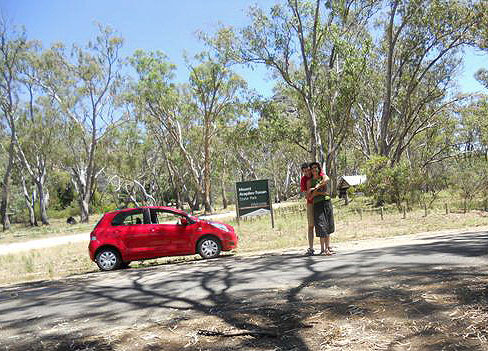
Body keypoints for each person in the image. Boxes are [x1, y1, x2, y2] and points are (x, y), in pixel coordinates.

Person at [308, 162, 335, 255]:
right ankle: (322, 249)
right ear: (310, 170)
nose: (314, 169)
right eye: (312, 168)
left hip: (327, 202)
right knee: (321, 226)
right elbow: (310, 196)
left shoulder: (322, 177)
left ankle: (328, 248)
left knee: (328, 225)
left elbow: (326, 181)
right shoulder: (309, 181)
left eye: (316, 168)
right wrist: (318, 192)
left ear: (319, 168)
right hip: (317, 204)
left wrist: (316, 187)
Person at [300, 163, 315, 255]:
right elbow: (306, 195)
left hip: (320, 202)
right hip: (310, 204)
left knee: (322, 224)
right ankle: (311, 247)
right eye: (304, 171)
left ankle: (326, 247)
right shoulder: (303, 180)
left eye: (308, 170)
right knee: (311, 225)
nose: (307, 173)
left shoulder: (316, 175)